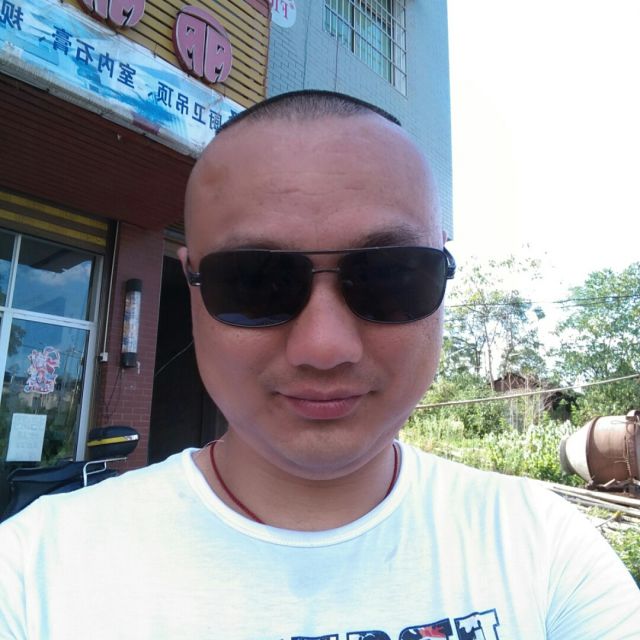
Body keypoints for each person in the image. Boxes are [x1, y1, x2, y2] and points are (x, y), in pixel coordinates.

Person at [0, 90, 638, 639]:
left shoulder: (544, 551)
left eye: (388, 275)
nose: (324, 347)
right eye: (254, 282)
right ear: (191, 284)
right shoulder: (34, 574)